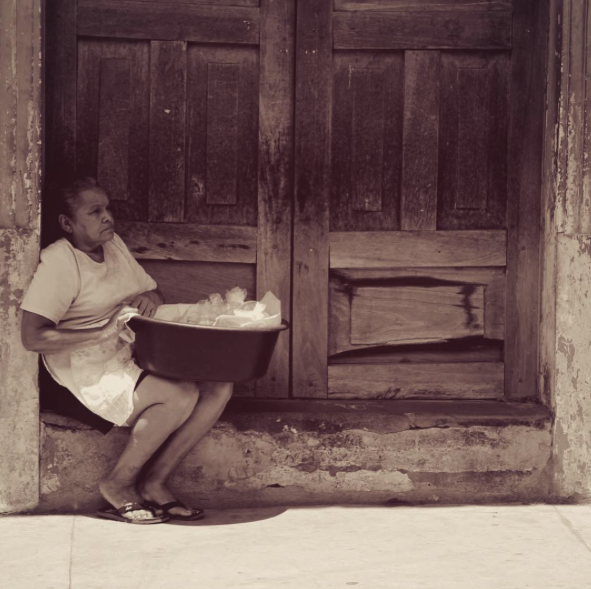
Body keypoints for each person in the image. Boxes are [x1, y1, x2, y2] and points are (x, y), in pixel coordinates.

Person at [21, 178, 233, 524]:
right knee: (179, 394)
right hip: (86, 365)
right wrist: (102, 332)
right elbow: (33, 338)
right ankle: (118, 484)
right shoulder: (61, 262)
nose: (108, 217)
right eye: (95, 211)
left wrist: (149, 299)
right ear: (67, 223)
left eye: (107, 209)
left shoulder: (114, 245)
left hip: (131, 349)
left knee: (219, 386)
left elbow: (153, 292)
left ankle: (154, 482)